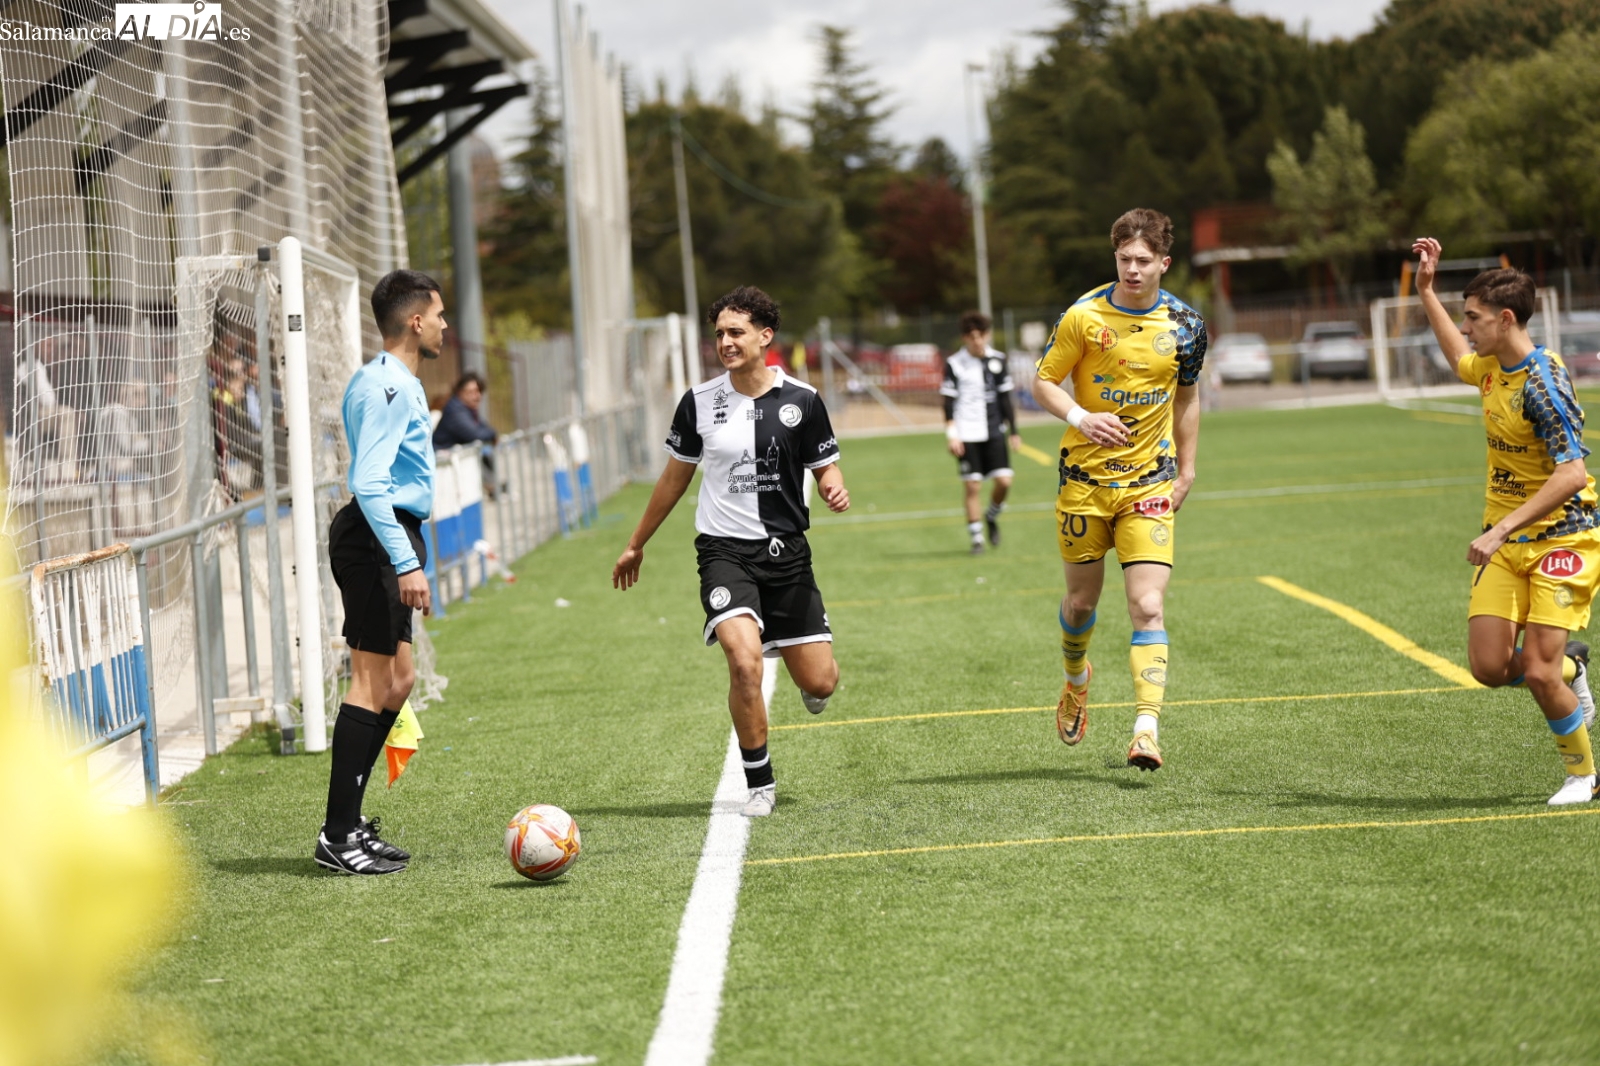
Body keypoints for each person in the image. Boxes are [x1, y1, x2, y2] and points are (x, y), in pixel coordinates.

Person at [612, 286, 849, 817]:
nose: (725, 341)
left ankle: (813, 672)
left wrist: (833, 484)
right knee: (744, 664)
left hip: (788, 555)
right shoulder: (698, 403)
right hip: (724, 553)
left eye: (736, 332)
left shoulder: (803, 401)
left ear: (766, 337)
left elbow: (824, 463)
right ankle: (759, 784)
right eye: (719, 332)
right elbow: (674, 479)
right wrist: (635, 544)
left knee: (819, 680)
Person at [1413, 239, 1598, 805]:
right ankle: (1571, 671)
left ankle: (1583, 775)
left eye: (1473, 318)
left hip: (1563, 539)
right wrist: (1425, 291)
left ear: (1506, 318)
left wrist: (1499, 529)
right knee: (1489, 666)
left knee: (1538, 675)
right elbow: (1458, 359)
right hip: (1509, 541)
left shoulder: (1544, 385)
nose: (1467, 328)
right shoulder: (1495, 368)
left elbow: (1573, 474)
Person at [1032, 207, 1206, 772]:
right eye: (1123, 259)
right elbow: (1042, 381)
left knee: (1147, 604)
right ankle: (1076, 678)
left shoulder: (1185, 326)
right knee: (1082, 603)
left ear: (1164, 262)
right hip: (1083, 484)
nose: (1132, 270)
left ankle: (1146, 730)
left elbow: (1187, 397)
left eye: (1143, 261)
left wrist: (1187, 470)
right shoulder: (1082, 317)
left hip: (1149, 482)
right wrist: (1083, 418)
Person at [314, 269, 445, 874]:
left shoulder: (400, 383)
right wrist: (406, 560)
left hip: (389, 535)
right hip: (375, 539)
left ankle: (351, 821)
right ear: (416, 321)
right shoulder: (385, 386)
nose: (445, 325)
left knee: (399, 680)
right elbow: (367, 483)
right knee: (369, 684)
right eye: (439, 315)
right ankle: (338, 835)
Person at [942, 310, 1022, 553]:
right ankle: (977, 538)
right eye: (971, 336)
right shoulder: (955, 364)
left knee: (1004, 481)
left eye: (980, 335)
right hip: (967, 433)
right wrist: (952, 435)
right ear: (965, 338)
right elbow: (947, 403)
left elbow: (1005, 398)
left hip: (994, 431)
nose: (977, 340)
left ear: (986, 335)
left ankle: (991, 516)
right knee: (973, 486)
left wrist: (1014, 431)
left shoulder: (998, 360)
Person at [432, 371, 498, 450]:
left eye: (479, 391)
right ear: (460, 392)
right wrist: (493, 434)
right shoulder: (454, 410)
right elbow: (475, 435)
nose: (478, 396)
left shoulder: (468, 410)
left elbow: (483, 428)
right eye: (472, 392)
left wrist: (492, 433)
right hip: (442, 459)